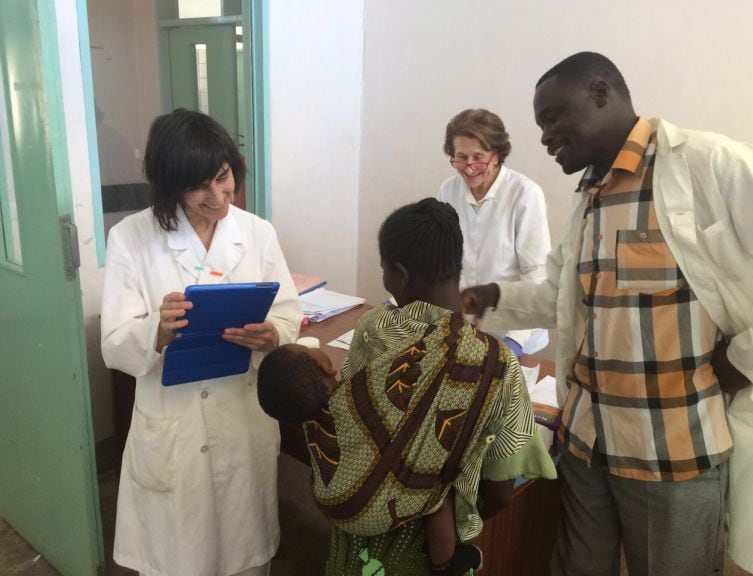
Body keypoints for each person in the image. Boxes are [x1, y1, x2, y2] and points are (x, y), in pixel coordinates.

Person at [463, 51, 753, 576]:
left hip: (672, 455)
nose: (544, 136)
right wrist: (491, 297)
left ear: (600, 93)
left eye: (554, 117)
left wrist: (751, 354)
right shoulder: (587, 200)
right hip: (586, 447)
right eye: (540, 124)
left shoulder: (704, 164)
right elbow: (560, 298)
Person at [264, 198, 556, 576]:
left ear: (400, 275)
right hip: (426, 551)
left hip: (360, 542)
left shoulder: (374, 326)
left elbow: (344, 418)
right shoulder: (498, 365)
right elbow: (500, 490)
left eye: (384, 269)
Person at [100, 109, 303, 576]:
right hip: (175, 421)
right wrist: (158, 328)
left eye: (223, 178)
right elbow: (113, 342)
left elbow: (288, 311)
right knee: (180, 556)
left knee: (244, 554)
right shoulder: (131, 238)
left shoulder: (257, 232)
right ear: (170, 186)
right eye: (199, 188)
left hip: (241, 413)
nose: (217, 197)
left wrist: (274, 334)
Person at [257, 343, 482, 576]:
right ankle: (446, 566)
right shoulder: (363, 399)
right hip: (392, 501)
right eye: (309, 347)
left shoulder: (310, 423)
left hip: (348, 510)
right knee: (438, 495)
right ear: (326, 367)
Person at [438, 108, 551, 356]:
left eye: (478, 157)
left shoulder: (524, 194)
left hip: (514, 330)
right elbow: (442, 263)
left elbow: (536, 274)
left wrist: (515, 341)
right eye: (461, 157)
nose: (469, 168)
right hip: (463, 331)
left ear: (497, 154)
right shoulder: (448, 191)